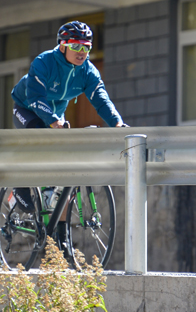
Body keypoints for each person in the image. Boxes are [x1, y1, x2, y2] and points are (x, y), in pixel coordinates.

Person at [9, 20, 128, 252]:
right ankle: (20, 186)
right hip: (28, 108)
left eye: (87, 47)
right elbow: (35, 98)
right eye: (76, 47)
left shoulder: (87, 71)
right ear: (62, 46)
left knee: (64, 177)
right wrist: (53, 122)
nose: (82, 53)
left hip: (56, 117)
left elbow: (100, 98)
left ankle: (61, 236)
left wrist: (117, 123)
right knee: (38, 137)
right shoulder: (44, 62)